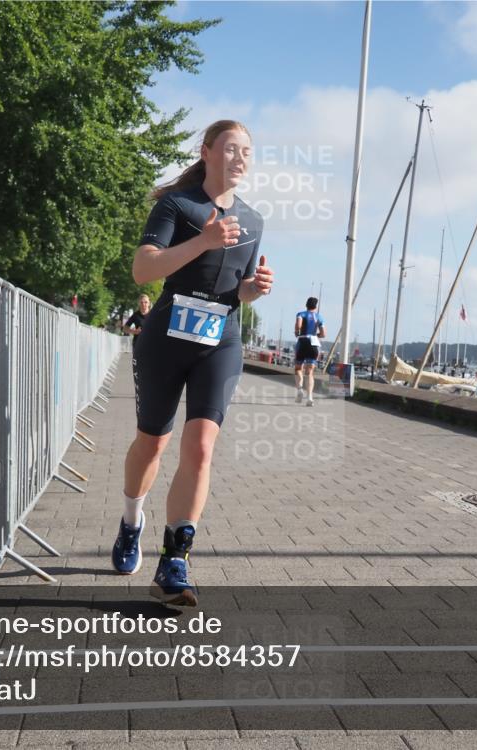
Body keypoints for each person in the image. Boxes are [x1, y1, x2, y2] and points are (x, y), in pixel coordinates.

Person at [111, 120, 274, 606]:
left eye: (247, 150)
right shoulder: (177, 206)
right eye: (230, 149)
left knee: (201, 447)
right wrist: (203, 241)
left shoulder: (254, 220)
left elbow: (236, 290)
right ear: (206, 152)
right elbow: (144, 268)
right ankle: (130, 521)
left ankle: (176, 557)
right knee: (151, 444)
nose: (240, 158)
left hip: (219, 340)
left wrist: (253, 289)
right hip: (165, 339)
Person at [293, 297, 325, 406]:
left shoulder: (301, 314)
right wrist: (316, 335)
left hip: (302, 341)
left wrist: (297, 332)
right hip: (314, 343)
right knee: (310, 372)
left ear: (306, 305)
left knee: (298, 368)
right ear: (316, 307)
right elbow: (323, 334)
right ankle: (310, 397)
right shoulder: (319, 317)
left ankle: (300, 389)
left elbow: (298, 325)